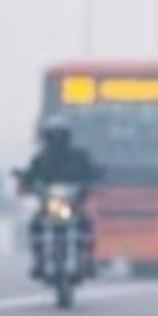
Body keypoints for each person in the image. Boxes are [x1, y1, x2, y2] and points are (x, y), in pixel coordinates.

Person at [18, 115, 101, 279]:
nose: (57, 139)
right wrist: (27, 183)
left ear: (67, 136)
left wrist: (92, 180)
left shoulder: (79, 156)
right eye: (54, 134)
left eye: (60, 134)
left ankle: (87, 259)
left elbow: (91, 172)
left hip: (73, 203)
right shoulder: (41, 159)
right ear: (47, 136)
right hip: (50, 204)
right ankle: (39, 260)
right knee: (35, 226)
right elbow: (30, 176)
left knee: (87, 225)